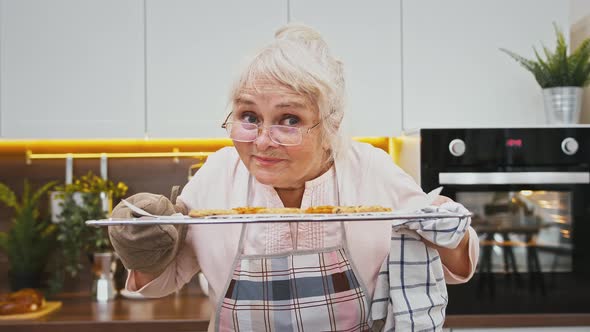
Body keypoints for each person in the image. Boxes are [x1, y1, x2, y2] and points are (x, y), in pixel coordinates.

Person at [108, 24, 478, 332]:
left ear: (330, 124)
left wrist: (449, 228)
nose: (264, 141)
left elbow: (457, 268)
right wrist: (144, 244)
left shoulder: (369, 169)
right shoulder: (216, 176)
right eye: (249, 116)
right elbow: (158, 282)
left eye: (290, 120)